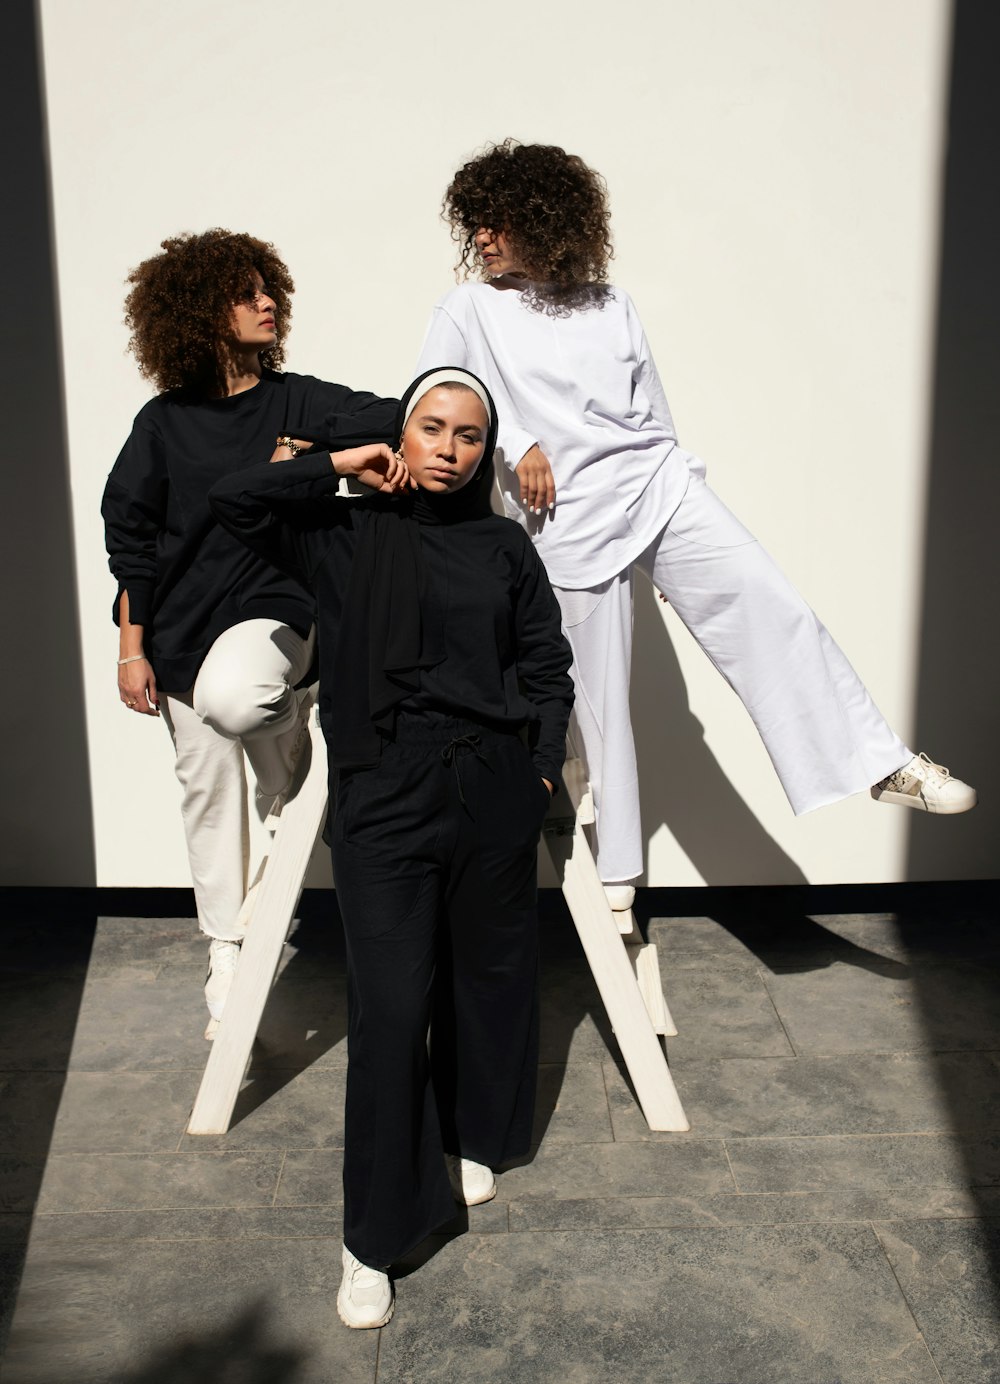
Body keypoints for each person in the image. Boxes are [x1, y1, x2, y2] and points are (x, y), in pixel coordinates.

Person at [416, 140, 976, 911]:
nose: (481, 237)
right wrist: (516, 444)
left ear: (544, 221)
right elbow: (431, 398)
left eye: (498, 221)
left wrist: (684, 553)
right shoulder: (471, 309)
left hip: (655, 484)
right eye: (474, 223)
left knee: (770, 602)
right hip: (565, 518)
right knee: (597, 698)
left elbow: (654, 416)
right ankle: (618, 871)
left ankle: (881, 761)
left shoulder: (611, 304)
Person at [209, 367, 573, 1328]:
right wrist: (335, 463)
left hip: (491, 786)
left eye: (467, 435)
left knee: (489, 978)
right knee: (388, 1005)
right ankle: (369, 1239)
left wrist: (536, 769)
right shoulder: (339, 532)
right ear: (401, 435)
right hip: (387, 796)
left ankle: (467, 1135)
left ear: (484, 451)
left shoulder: (503, 547)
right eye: (429, 427)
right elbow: (231, 499)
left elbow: (545, 663)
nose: (448, 447)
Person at [102, 229, 397, 1037]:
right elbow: (131, 541)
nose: (267, 302)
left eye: (270, 288)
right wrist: (132, 649)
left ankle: (290, 733)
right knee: (206, 792)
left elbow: (397, 416)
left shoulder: (297, 400)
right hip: (176, 625)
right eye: (246, 292)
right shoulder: (161, 424)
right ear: (199, 312)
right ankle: (228, 946)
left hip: (273, 606)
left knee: (241, 705)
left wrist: (317, 454)